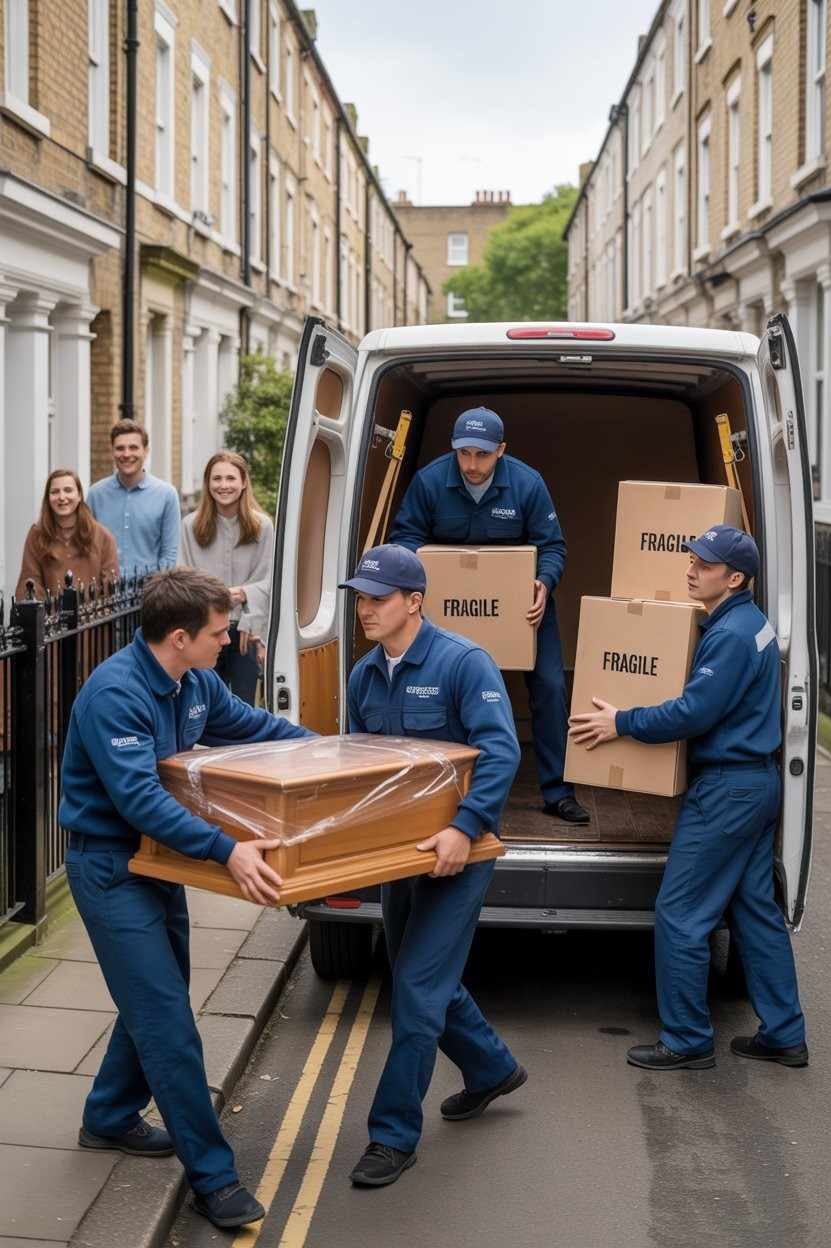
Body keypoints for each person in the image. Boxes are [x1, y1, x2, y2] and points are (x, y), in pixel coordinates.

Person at [59, 568, 315, 1229]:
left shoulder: (195, 683)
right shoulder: (115, 694)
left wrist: (338, 753)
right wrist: (228, 850)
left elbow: (253, 726)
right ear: (179, 637)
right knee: (168, 1022)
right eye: (218, 632)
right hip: (109, 867)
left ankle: (108, 1116)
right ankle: (214, 1179)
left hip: (157, 861)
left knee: (157, 996)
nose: (228, 640)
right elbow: (139, 800)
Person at [568, 525, 807, 1072]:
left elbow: (694, 712)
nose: (691, 570)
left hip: (726, 791)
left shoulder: (730, 636)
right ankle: (784, 1034)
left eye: (705, 564)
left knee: (680, 913)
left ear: (735, 578)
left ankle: (686, 1039)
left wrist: (621, 721)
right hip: (755, 784)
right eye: (693, 560)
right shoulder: (750, 624)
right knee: (754, 911)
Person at [341, 544, 526, 1189]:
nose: (365, 609)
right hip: (400, 854)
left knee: (417, 989)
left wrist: (463, 827)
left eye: (378, 598)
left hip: (459, 853)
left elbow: (500, 752)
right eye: (360, 599)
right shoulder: (364, 675)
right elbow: (361, 766)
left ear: (414, 601)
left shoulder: (464, 663)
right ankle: (492, 1067)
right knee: (420, 976)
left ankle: (392, 1135)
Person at [389, 406, 588, 824]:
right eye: (464, 453)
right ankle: (439, 786)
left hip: (523, 609)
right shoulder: (429, 482)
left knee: (551, 687)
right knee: (437, 688)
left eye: (482, 454)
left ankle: (558, 792)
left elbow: (552, 545)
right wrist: (424, 575)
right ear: (454, 448)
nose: (472, 464)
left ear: (501, 450)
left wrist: (544, 582)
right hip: (451, 610)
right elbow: (404, 537)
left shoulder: (527, 484)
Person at [180, 452, 274, 705]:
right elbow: (183, 579)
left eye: (231, 478)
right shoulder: (189, 526)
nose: (223, 485)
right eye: (217, 478)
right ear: (208, 483)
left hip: (246, 631)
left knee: (244, 704)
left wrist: (244, 595)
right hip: (203, 629)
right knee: (204, 703)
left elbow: (270, 579)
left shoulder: (263, 526)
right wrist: (215, 598)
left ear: (243, 483)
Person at [87, 419, 180, 577]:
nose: (126, 454)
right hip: (105, 590)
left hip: (150, 590)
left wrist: (158, 588)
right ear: (112, 451)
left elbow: (169, 554)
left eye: (133, 447)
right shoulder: (95, 495)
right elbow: (88, 547)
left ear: (146, 451)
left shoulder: (167, 495)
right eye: (120, 448)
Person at [16, 469, 119, 600]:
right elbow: (30, 583)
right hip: (51, 612)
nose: (62, 497)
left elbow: (110, 590)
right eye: (55, 492)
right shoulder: (37, 535)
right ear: (48, 498)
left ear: (79, 495)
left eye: (68, 490)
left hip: (93, 612)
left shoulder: (103, 537)